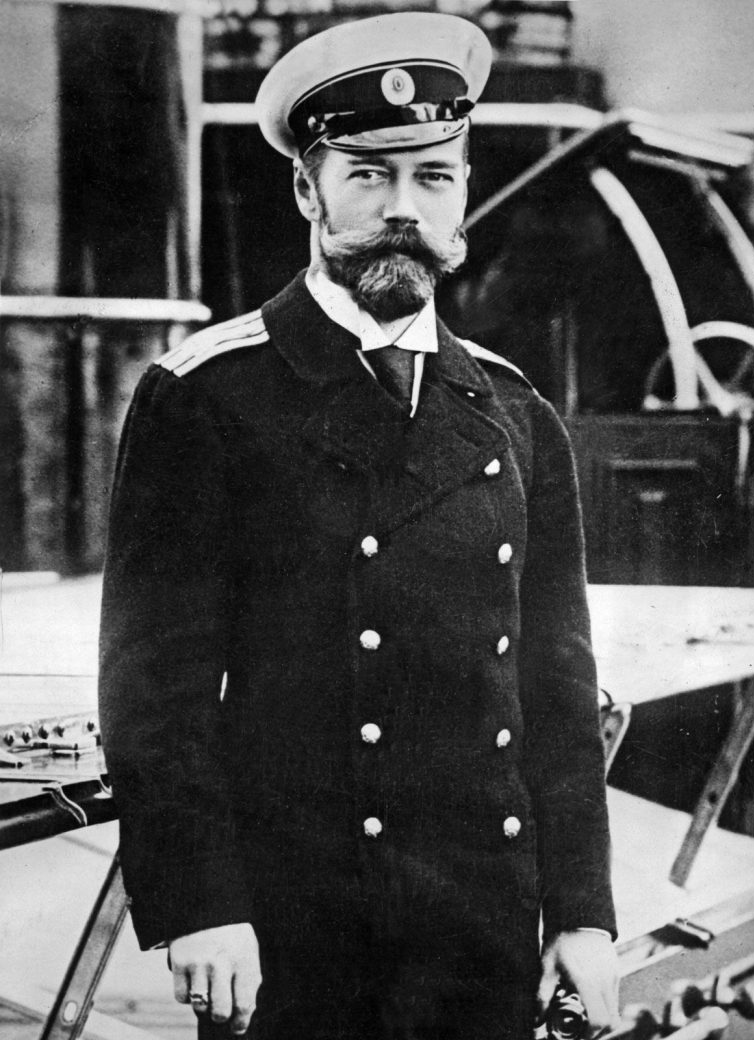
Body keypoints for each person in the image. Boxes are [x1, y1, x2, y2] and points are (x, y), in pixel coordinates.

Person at [98, 12, 619, 1040]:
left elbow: (557, 688)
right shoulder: (205, 397)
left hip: (483, 923)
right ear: (309, 190)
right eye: (369, 176)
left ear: (463, 193)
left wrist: (585, 914)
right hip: (296, 927)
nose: (401, 209)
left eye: (433, 177)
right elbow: (154, 689)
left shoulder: (516, 413)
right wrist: (201, 903)